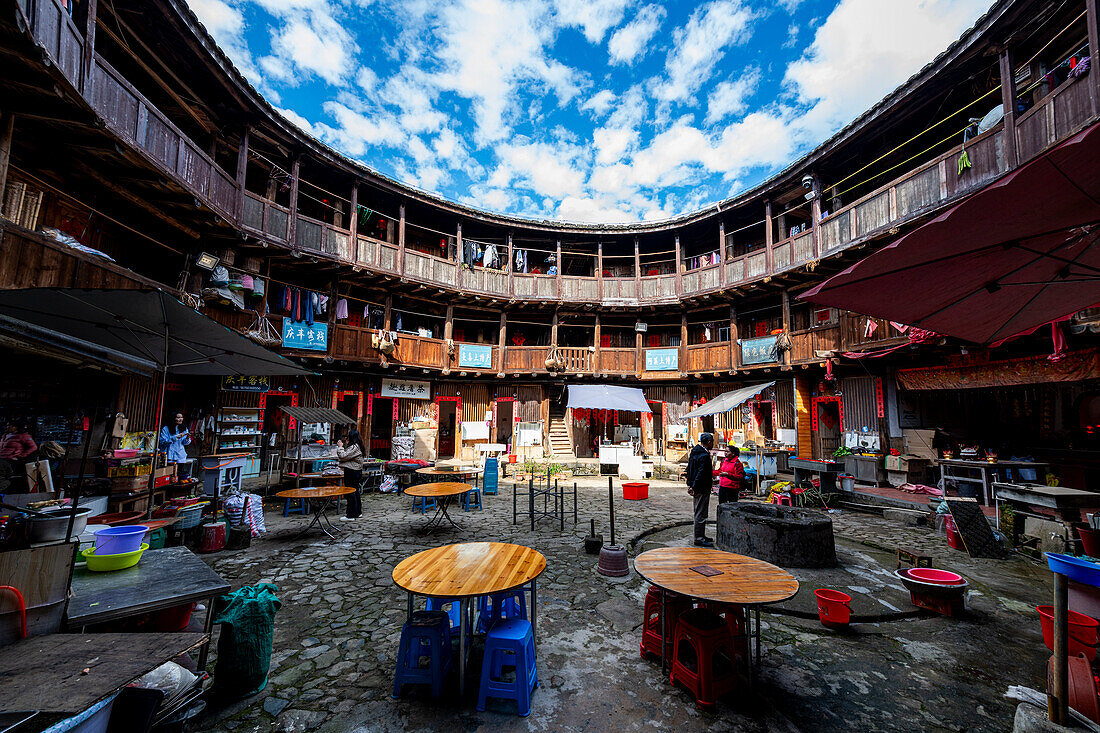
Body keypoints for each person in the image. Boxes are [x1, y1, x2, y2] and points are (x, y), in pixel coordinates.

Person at [685, 432, 716, 547]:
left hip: (696, 485)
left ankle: (701, 535)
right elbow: (700, 472)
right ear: (709, 442)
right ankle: (698, 538)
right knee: (700, 513)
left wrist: (689, 484)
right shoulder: (703, 455)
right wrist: (694, 486)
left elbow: (690, 469)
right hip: (702, 487)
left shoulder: (695, 452)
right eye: (712, 442)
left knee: (700, 511)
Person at [335, 430, 364, 521]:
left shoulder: (355, 447)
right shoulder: (356, 446)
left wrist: (340, 447)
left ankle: (351, 514)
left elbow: (343, 456)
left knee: (351, 492)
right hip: (354, 471)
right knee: (355, 492)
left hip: (352, 471)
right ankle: (357, 512)